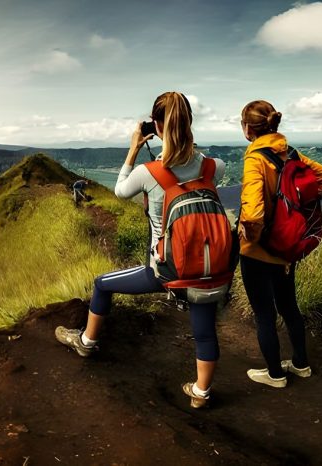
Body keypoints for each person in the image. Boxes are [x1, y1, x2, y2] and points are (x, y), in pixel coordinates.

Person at [55, 92, 226, 409]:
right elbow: (204, 168)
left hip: (165, 270)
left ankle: (86, 342)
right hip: (207, 268)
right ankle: (201, 393)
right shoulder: (214, 167)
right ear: (189, 124)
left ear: (157, 126)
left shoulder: (151, 172)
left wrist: (134, 147)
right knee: (204, 331)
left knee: (102, 284)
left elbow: (121, 191)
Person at [238, 100, 322, 388]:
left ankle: (275, 375)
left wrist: (249, 237)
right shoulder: (289, 153)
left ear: (247, 128)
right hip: (287, 248)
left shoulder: (256, 159)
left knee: (264, 312)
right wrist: (293, 215)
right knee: (288, 306)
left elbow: (253, 212)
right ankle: (301, 364)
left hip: (259, 250)